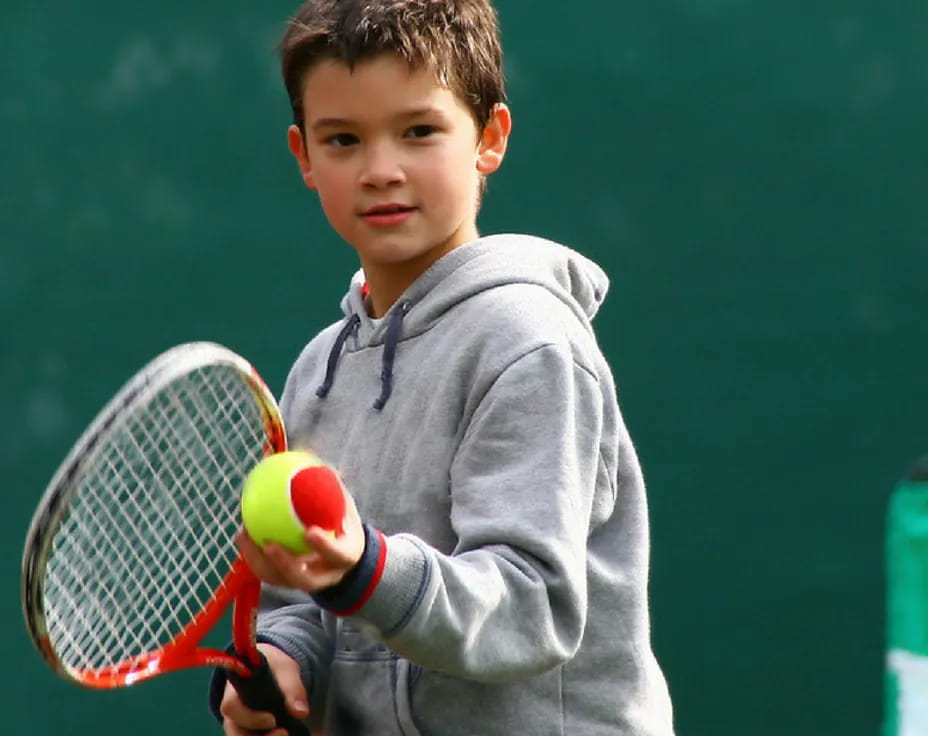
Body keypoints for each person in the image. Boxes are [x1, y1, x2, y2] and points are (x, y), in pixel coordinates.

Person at [210, 0, 675, 734]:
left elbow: (532, 606)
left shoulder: (531, 344)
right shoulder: (316, 372)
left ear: (490, 137)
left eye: (419, 131)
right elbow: (307, 598)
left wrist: (366, 570)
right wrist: (285, 663)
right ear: (303, 156)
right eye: (343, 140)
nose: (380, 170)